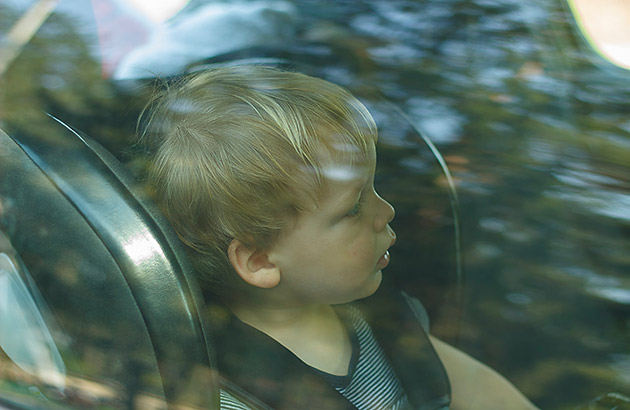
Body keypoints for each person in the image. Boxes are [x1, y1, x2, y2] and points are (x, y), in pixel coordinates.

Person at [137, 65, 538, 410]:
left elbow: (479, 392)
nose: (387, 212)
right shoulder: (235, 392)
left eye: (374, 190)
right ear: (260, 260)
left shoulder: (380, 318)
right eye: (352, 209)